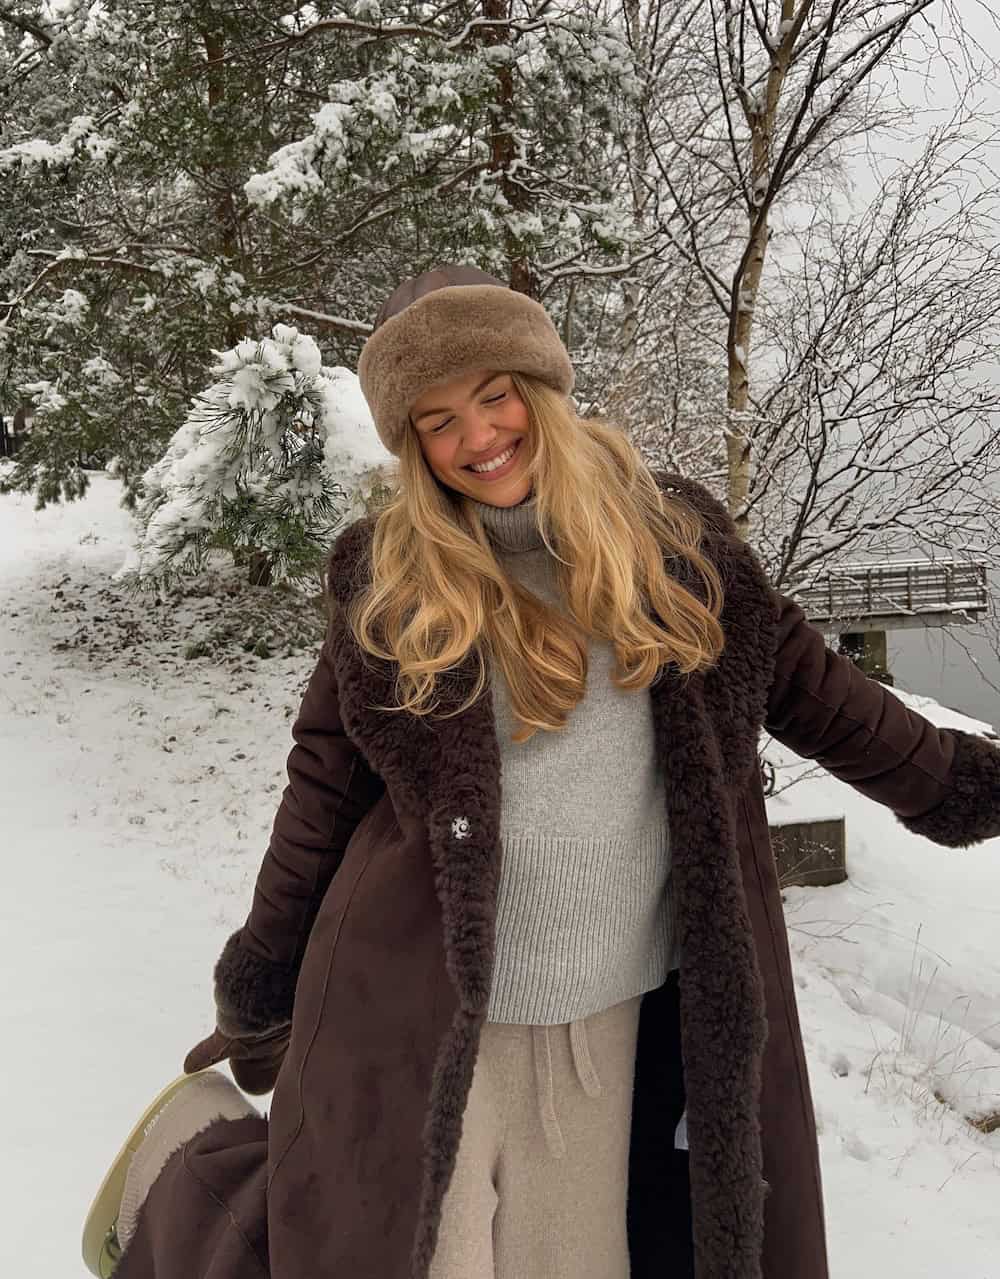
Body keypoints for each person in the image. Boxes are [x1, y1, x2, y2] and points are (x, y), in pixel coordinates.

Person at [82, 264, 1000, 1279]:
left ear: (543, 387)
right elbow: (321, 792)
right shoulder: (387, 579)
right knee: (365, 1247)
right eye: (435, 420)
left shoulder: (682, 552)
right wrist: (260, 973)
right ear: (411, 445)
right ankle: (180, 1172)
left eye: (492, 394)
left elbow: (838, 706)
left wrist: (969, 786)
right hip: (417, 1014)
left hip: (608, 1026)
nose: (476, 437)